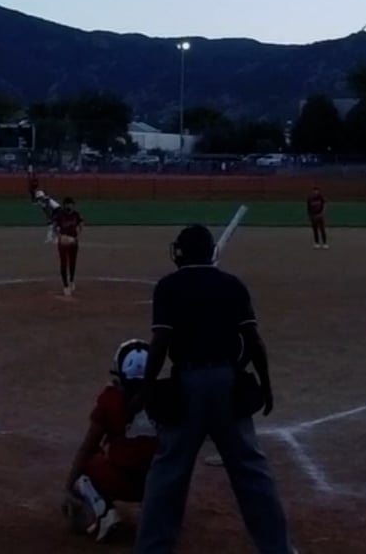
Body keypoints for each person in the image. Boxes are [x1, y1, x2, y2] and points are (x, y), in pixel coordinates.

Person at [132, 224, 291, 554]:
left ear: (181, 252)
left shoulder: (169, 286)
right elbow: (253, 341)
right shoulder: (232, 285)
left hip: (187, 384)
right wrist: (266, 384)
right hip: (227, 384)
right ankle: (277, 548)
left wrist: (146, 389)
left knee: (168, 474)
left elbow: (160, 342)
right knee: (252, 473)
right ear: (210, 252)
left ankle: (152, 549)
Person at [63, 339, 159, 542]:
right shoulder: (166, 398)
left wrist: (68, 487)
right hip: (157, 482)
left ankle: (105, 513)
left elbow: (88, 446)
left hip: (122, 480)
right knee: (171, 463)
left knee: (86, 470)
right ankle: (161, 514)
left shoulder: (111, 399)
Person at [53, 197, 85, 296]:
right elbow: (55, 227)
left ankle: (71, 280)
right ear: (64, 205)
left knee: (72, 262)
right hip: (63, 242)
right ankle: (65, 285)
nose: (70, 206)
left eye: (71, 204)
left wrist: (78, 236)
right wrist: (60, 236)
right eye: (68, 204)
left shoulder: (76, 214)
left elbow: (81, 224)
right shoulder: (60, 215)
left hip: (73, 241)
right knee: (64, 263)